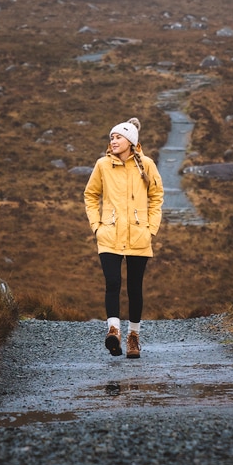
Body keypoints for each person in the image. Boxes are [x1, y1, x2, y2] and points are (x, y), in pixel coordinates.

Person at [84, 117, 164, 358]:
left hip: (139, 235)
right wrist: (97, 226)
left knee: (134, 288)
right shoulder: (102, 165)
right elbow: (90, 195)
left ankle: (133, 337)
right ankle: (114, 332)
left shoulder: (146, 164)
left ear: (130, 141)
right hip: (109, 234)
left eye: (118, 137)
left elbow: (157, 196)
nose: (113, 140)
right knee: (112, 283)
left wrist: (151, 229)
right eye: (112, 137)